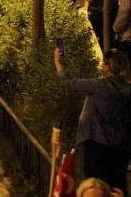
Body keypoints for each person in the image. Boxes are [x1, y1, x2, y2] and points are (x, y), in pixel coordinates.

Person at [54, 48, 131, 195]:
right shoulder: (128, 90)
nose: (101, 65)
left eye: (103, 63)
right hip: (121, 145)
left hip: (96, 142)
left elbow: (68, 82)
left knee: (94, 185)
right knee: (118, 185)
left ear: (108, 66)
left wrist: (57, 61)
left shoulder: (98, 85)